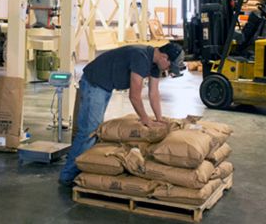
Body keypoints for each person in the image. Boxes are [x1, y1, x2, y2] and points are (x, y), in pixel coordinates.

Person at [59, 42, 185, 186]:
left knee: (92, 130)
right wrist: (145, 119)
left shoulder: (155, 64)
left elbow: (154, 93)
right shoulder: (141, 57)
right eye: (169, 66)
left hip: (106, 85)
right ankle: (67, 176)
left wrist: (159, 119)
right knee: (89, 132)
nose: (168, 70)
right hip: (95, 82)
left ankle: (82, 168)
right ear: (164, 57)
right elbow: (134, 96)